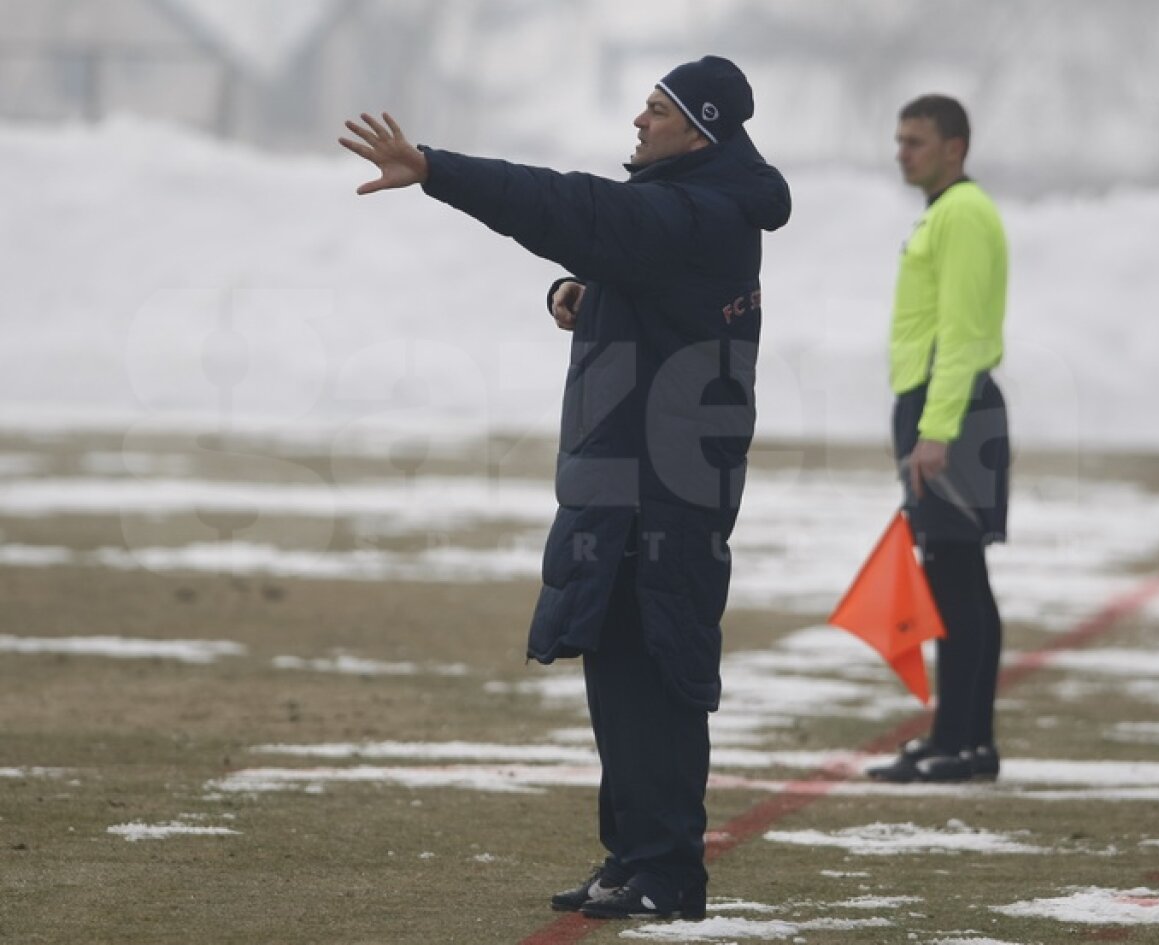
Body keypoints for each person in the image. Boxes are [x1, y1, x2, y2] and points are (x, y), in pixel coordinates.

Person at [339, 56, 790, 919]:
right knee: (618, 671)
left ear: (701, 128)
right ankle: (633, 856)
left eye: (655, 109)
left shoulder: (692, 213)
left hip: (666, 488)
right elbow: (640, 276)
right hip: (627, 482)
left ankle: (668, 870)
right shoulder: (686, 213)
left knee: (660, 671)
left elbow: (573, 209)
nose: (638, 120)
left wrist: (437, 169)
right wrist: (582, 292)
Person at [866, 95, 1010, 784]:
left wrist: (935, 430)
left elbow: (958, 335)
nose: (903, 152)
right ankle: (961, 738)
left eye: (916, 141)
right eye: (899, 139)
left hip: (951, 411)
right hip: (937, 408)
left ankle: (963, 741)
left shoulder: (963, 215)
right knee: (956, 578)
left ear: (955, 147)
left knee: (956, 583)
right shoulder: (944, 212)